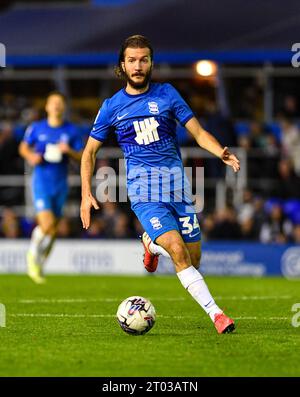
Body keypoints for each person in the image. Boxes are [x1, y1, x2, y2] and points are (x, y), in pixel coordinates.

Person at [80, 35, 240, 334]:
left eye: (143, 60)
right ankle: (218, 315)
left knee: (192, 260)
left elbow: (199, 132)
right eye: (132, 60)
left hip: (178, 189)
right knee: (179, 253)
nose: (138, 66)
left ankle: (150, 244)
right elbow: (89, 152)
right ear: (122, 65)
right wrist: (86, 193)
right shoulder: (112, 106)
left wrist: (220, 151)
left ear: (151, 63)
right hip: (144, 192)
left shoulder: (167, 95)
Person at [19, 91, 83, 284]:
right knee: (46, 225)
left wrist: (68, 151)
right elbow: (23, 147)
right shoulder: (37, 128)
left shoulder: (71, 131)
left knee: (53, 231)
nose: (56, 106)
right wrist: (31, 157)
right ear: (47, 106)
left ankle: (40, 263)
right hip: (41, 182)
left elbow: (82, 156)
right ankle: (31, 256)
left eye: (59, 103)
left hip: (60, 184)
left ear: (63, 107)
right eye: (52, 102)